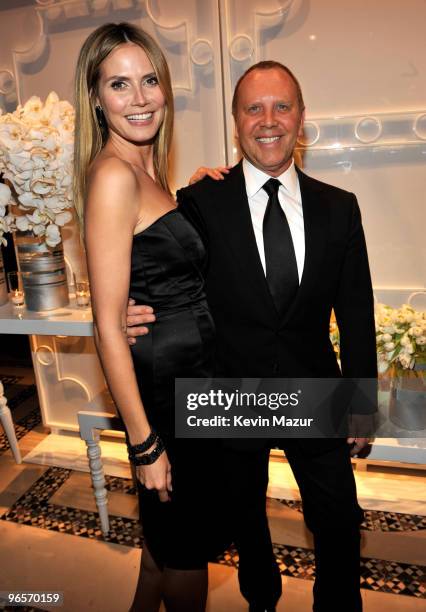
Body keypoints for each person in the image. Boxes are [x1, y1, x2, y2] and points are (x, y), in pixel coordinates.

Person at [127, 60, 378, 611]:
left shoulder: (340, 208)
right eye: (254, 108)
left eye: (282, 106)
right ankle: (260, 599)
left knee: (337, 518)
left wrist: (361, 404)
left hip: (315, 390)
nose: (269, 119)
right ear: (236, 121)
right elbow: (158, 271)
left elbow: (357, 313)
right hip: (231, 390)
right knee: (246, 518)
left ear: (301, 118)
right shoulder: (198, 203)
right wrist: (126, 308)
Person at [73, 22, 228, 612]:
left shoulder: (146, 173)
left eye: (149, 81)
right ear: (96, 96)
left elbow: (157, 261)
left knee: (165, 546)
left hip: (195, 387)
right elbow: (108, 324)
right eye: (120, 84)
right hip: (167, 394)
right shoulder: (114, 176)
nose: (140, 99)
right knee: (187, 557)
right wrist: (144, 445)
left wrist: (192, 196)